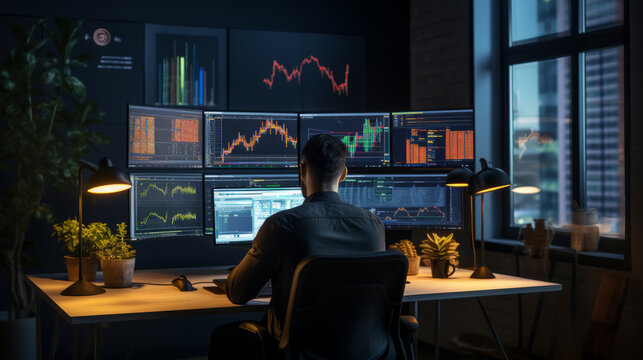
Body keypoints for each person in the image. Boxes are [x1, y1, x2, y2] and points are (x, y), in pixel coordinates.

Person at [209, 134, 385, 359]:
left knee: (223, 337)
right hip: (364, 349)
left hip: (297, 351)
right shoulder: (374, 226)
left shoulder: (280, 226)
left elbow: (237, 293)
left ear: (302, 170)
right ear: (343, 174)